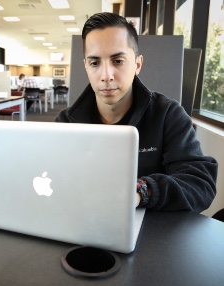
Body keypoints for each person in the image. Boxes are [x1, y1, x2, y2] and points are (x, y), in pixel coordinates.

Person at [55, 12, 218, 212]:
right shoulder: (66, 123)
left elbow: (200, 185)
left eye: (118, 61)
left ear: (137, 64)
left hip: (152, 233)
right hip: (82, 223)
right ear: (86, 67)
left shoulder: (168, 115)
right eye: (95, 63)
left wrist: (142, 191)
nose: (106, 75)